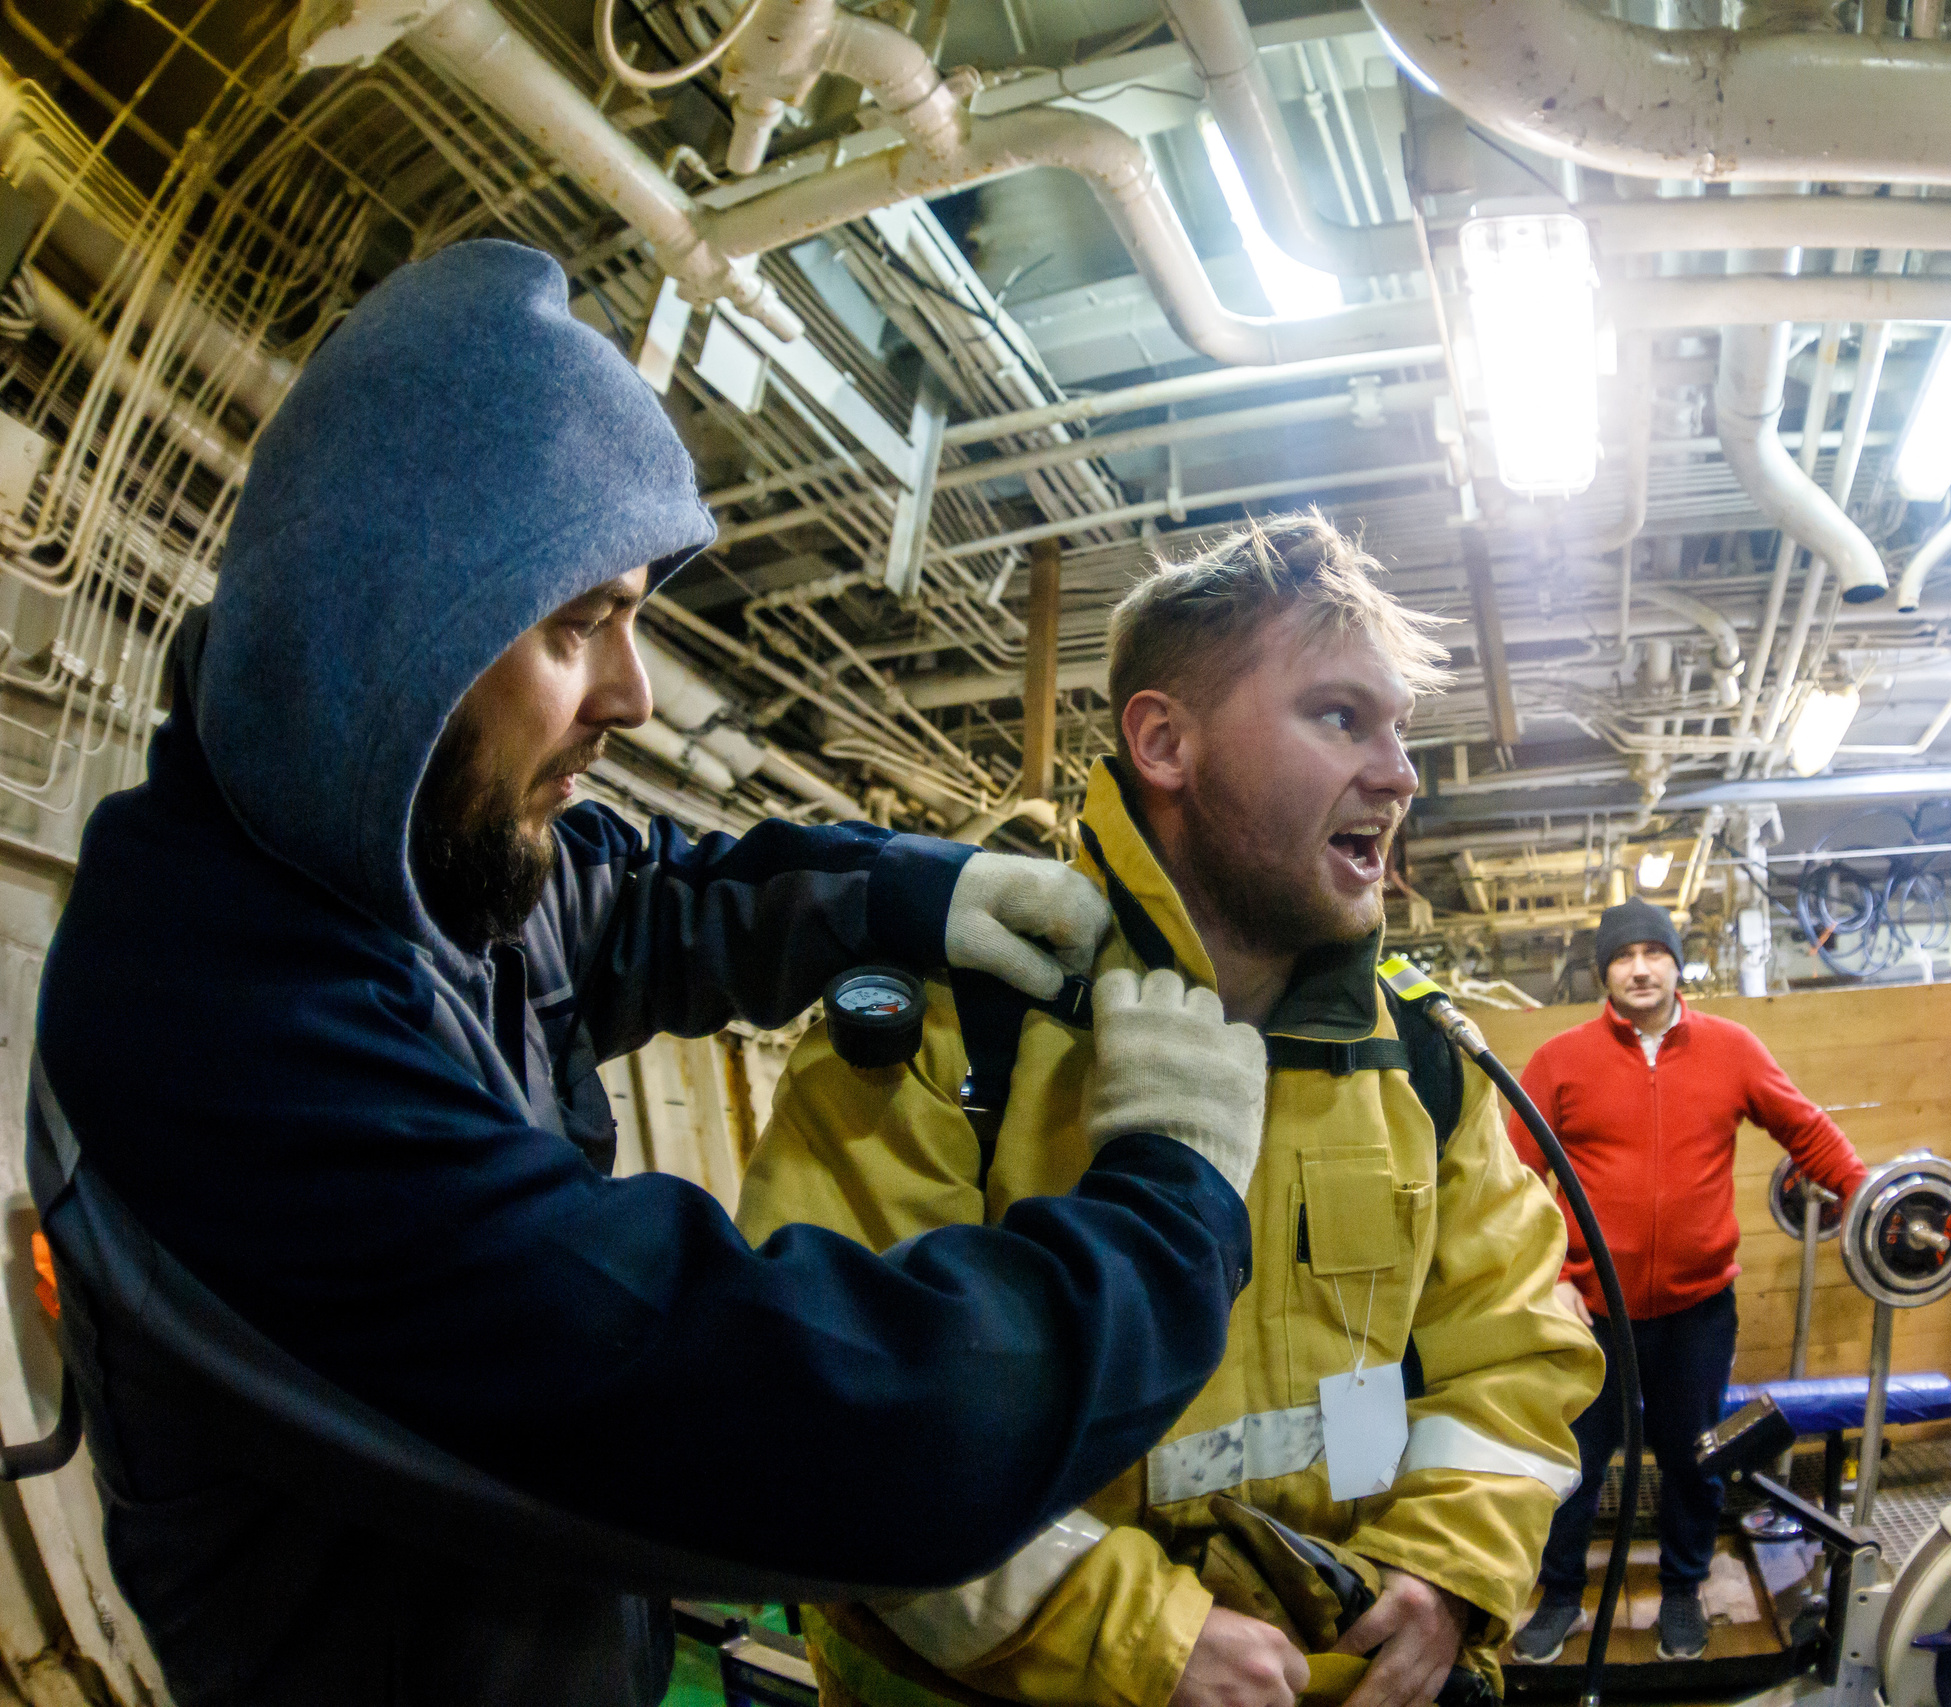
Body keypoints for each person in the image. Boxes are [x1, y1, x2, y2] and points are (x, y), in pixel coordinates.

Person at [31, 240, 1270, 1707]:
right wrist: (1174, 1206)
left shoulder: (415, 863)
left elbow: (643, 902)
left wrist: (914, 891)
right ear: (394, 646)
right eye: (577, 623)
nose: (628, 691)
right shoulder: (216, 1039)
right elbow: (805, 1417)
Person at [738, 514, 1604, 1707]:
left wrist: (1449, 1569)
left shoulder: (1419, 1064)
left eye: (1398, 728)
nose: (1402, 774)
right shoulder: (950, 1040)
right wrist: (1135, 1636)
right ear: (1165, 742)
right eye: (1340, 717)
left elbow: (1513, 1347)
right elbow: (831, 1428)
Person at [1505, 900, 1868, 1664]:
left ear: (1676, 963)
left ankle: (1681, 1589)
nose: (1640, 967)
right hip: (1591, 1311)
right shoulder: (1559, 1060)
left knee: (1692, 1458)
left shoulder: (1732, 1049)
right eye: (1623, 955)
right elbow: (1509, 1180)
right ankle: (1562, 1594)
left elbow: (1806, 1128)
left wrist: (1866, 1198)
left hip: (1698, 1309)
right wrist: (1547, 1278)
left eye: (1654, 952)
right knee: (1572, 1459)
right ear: (1603, 971)